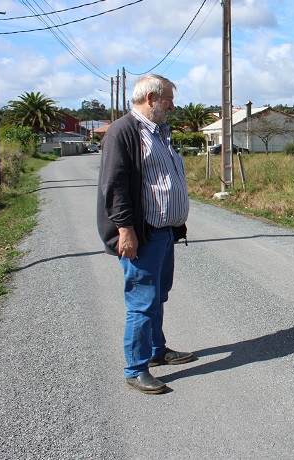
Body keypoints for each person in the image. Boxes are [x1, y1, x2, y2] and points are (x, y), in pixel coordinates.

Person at [96, 74, 194, 394]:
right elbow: (115, 187)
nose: (172, 105)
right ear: (151, 99)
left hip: (164, 232)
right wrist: (125, 230)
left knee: (158, 296)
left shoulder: (159, 132)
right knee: (142, 302)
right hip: (142, 234)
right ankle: (135, 369)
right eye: (168, 99)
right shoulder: (123, 131)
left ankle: (156, 351)